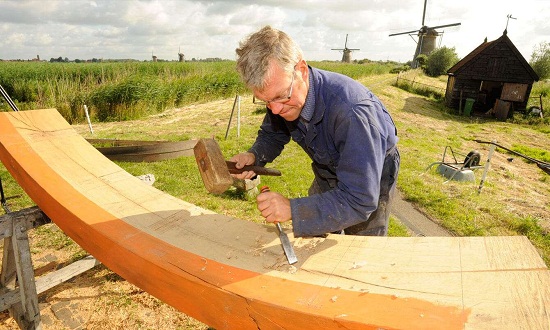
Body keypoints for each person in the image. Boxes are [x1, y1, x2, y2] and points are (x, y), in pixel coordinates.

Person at [230, 26, 400, 237]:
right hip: (327, 168)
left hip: (371, 168)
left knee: (362, 245)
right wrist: (255, 155)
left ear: (301, 70)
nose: (274, 109)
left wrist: (292, 209)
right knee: (316, 233)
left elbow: (360, 199)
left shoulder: (352, 113)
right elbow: (273, 133)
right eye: (266, 101)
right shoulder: (282, 95)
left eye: (281, 97)